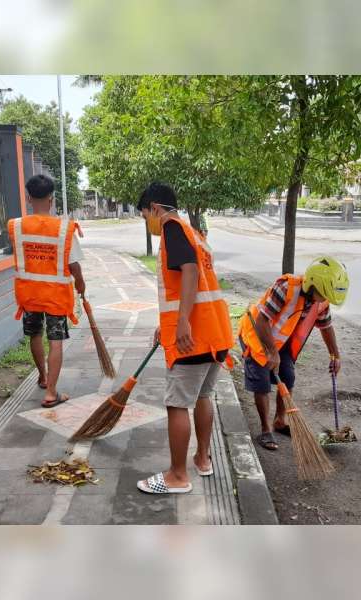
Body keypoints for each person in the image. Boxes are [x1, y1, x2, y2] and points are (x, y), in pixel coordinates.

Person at [136, 182, 234, 495]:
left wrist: (180, 324)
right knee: (202, 397)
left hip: (193, 337)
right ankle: (203, 459)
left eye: (144, 216)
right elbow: (187, 283)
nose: (147, 223)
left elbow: (189, 272)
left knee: (177, 404)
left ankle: (177, 476)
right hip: (215, 334)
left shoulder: (172, 229)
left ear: (155, 208)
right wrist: (165, 324)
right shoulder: (195, 233)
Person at [238, 257, 348, 451]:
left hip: (281, 341)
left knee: (288, 377)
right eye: (322, 294)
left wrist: (335, 355)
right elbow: (262, 320)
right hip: (256, 334)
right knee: (262, 383)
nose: (324, 299)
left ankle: (280, 421)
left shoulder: (321, 302)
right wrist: (272, 352)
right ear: (312, 283)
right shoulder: (286, 288)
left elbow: (326, 326)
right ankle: (265, 429)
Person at [7, 174, 86, 408]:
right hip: (55, 296)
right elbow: (73, 265)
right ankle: (51, 392)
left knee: (35, 335)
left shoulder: (18, 226)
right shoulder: (63, 229)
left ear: (29, 197)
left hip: (29, 294)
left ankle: (42, 376)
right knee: (56, 340)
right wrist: (80, 282)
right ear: (51, 199)